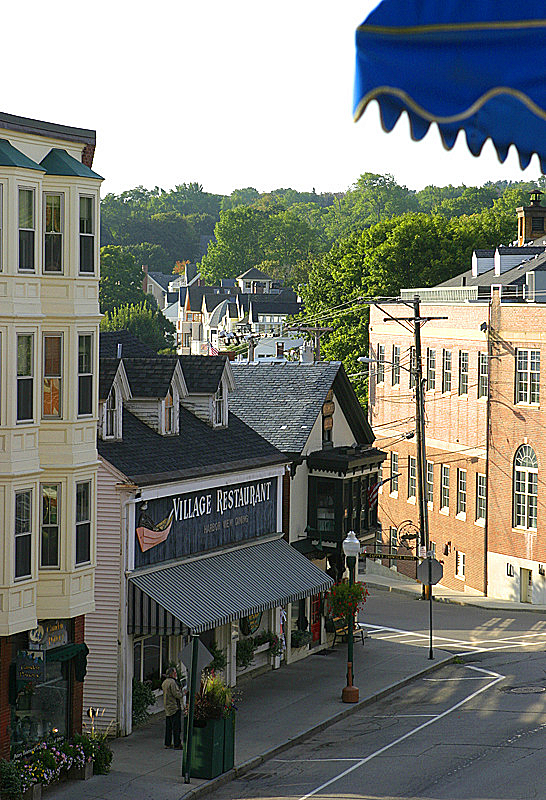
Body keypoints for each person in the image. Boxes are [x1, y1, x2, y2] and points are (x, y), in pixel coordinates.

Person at [162, 667, 185, 749]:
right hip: (174, 707)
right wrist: (183, 693)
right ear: (172, 674)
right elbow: (177, 694)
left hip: (167, 707)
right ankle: (177, 744)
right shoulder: (172, 683)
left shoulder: (165, 682)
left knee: (169, 727)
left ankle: (167, 743)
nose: (176, 674)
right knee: (176, 727)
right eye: (175, 673)